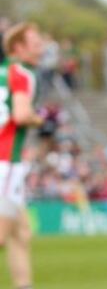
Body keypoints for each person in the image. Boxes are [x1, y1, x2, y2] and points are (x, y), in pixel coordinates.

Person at [0, 22, 46, 289]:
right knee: (3, 235)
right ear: (18, 47)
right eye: (35, 41)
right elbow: (21, 115)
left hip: (8, 164)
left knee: (21, 234)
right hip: (6, 161)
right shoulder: (23, 73)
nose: (40, 45)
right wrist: (41, 120)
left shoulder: (4, 71)